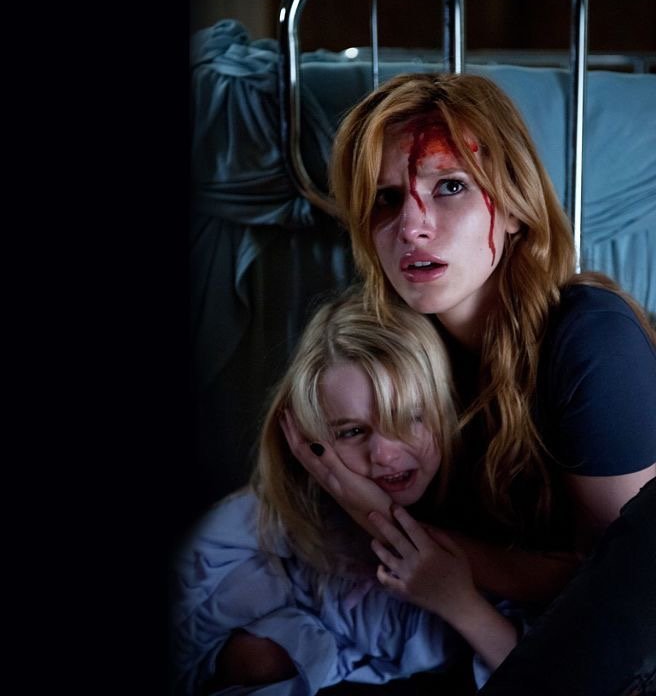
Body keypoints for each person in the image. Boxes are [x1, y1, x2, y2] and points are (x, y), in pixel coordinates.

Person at [282, 73, 656, 694]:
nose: (411, 227)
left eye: (450, 186)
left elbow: (622, 600)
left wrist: (381, 517)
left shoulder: (591, 340)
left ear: (513, 207)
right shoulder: (393, 357)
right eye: (385, 199)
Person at [172, 289, 526, 696]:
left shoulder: (501, 507)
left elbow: (553, 678)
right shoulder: (262, 527)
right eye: (352, 431)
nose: (385, 454)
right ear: (311, 439)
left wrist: (457, 602)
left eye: (409, 418)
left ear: (447, 407)